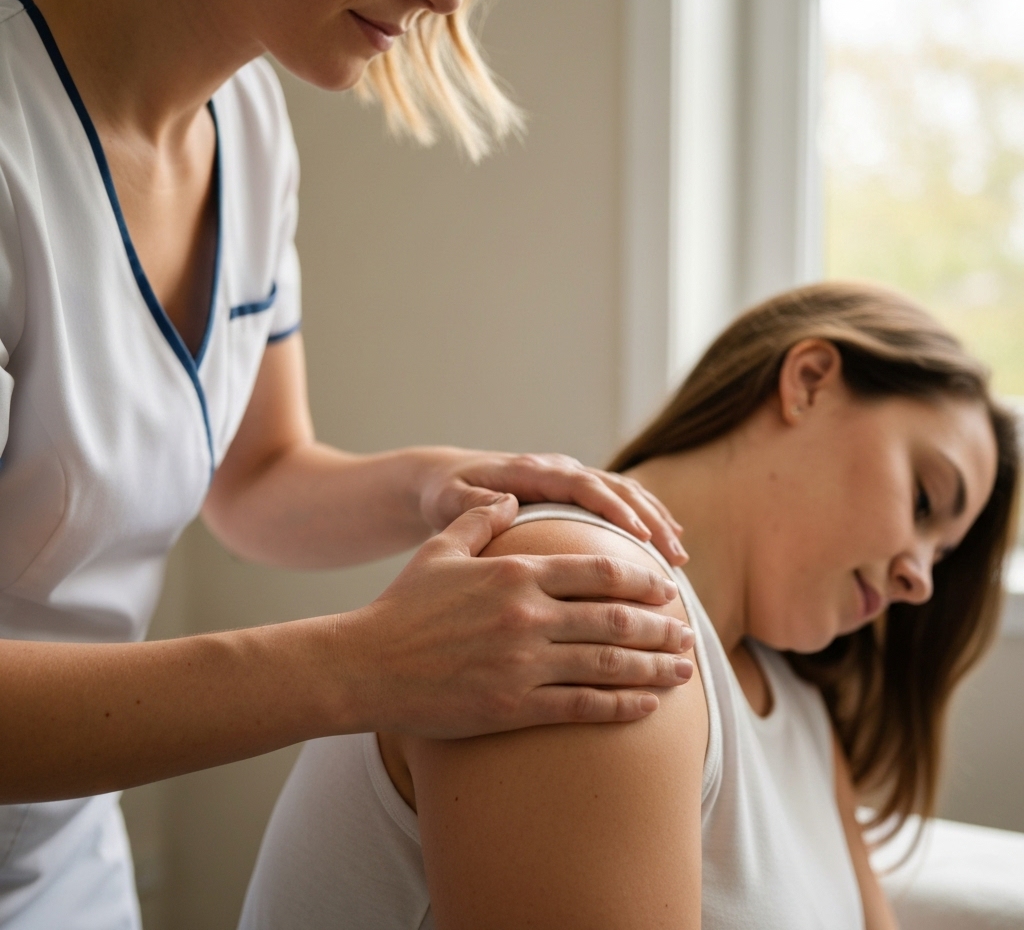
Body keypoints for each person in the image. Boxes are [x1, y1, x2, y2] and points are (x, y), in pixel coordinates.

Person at [0, 0, 699, 926]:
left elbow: (259, 480)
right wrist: (369, 665)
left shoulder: (245, 125)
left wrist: (440, 481)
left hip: (66, 867)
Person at [239, 281, 1020, 930]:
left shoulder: (801, 708)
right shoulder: (576, 602)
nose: (920, 581)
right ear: (808, 382)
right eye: (924, 498)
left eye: (943, 557)